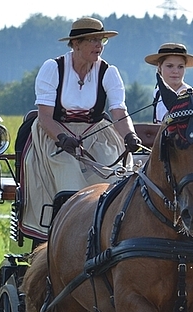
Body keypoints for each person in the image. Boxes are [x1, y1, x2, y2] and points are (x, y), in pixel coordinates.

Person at [21, 17, 141, 240]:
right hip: (55, 134)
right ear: (76, 44)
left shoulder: (108, 72)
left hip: (95, 134)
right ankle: (65, 236)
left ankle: (109, 233)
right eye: (93, 40)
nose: (99, 46)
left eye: (102, 40)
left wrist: (129, 136)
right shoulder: (53, 68)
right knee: (68, 178)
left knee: (114, 178)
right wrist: (62, 138)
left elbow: (119, 112)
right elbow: (45, 117)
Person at [144, 43, 193, 123]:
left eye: (180, 67)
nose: (175, 71)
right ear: (159, 67)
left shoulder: (192, 97)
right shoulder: (158, 93)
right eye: (170, 66)